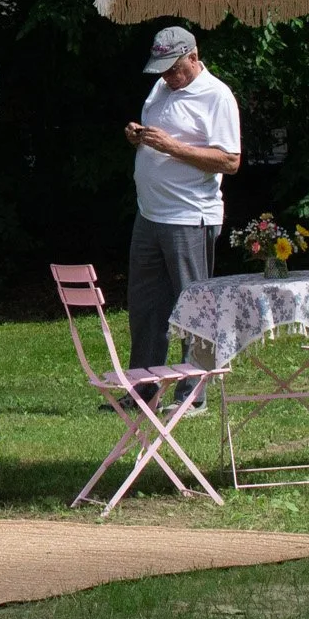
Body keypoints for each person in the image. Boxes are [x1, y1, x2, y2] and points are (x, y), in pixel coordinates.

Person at [123, 25, 241, 407]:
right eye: (162, 70)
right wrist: (137, 135)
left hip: (191, 216)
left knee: (194, 306)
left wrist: (171, 147)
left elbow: (230, 160)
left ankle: (193, 394)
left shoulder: (217, 96)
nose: (168, 77)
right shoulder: (160, 88)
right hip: (150, 214)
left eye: (174, 69)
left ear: (194, 56)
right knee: (145, 308)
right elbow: (158, 134)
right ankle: (143, 391)